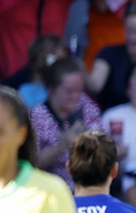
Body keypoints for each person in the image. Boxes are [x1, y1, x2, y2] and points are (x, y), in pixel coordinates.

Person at [30, 59, 104, 188]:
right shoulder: (36, 117)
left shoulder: (88, 107)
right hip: (50, 190)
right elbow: (31, 164)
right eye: (69, 91)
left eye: (79, 90)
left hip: (88, 188)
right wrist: (61, 145)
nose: (75, 96)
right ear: (51, 89)